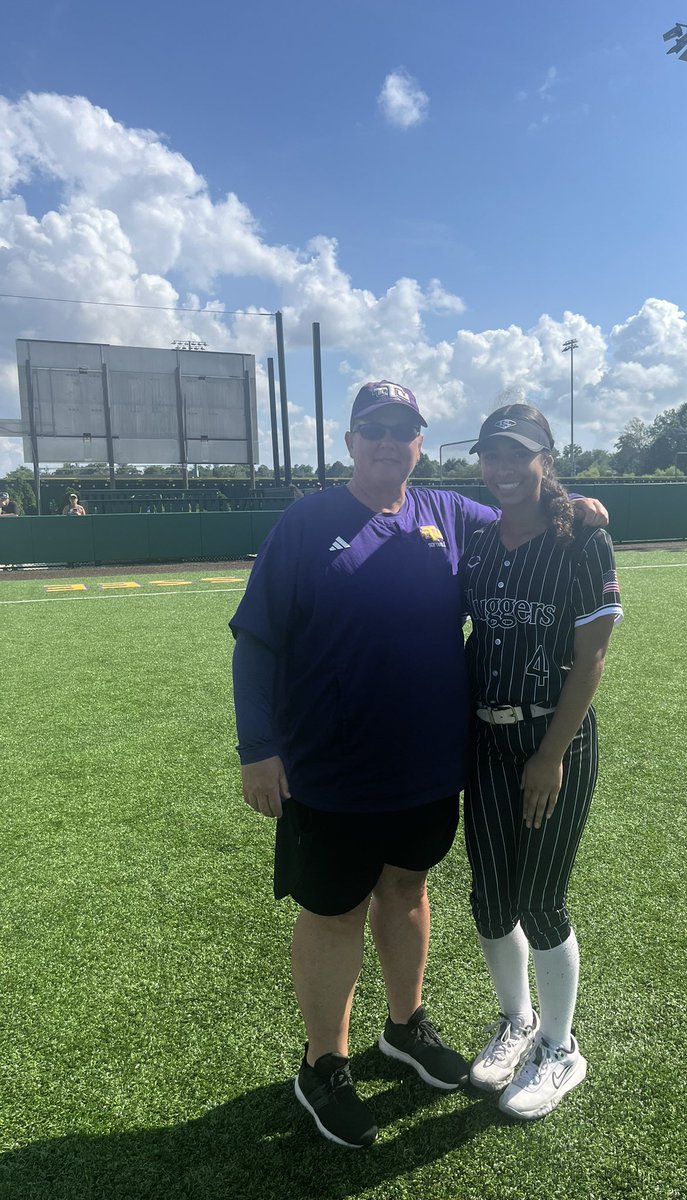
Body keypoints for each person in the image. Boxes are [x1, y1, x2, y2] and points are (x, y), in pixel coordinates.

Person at [229, 381, 609, 1150]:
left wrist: (584, 506)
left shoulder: (447, 513)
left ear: (419, 444)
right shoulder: (306, 523)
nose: (385, 442)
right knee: (333, 910)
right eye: (371, 428)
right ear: (348, 440)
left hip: (431, 764)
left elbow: (526, 513)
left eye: (401, 431)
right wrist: (257, 748)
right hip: (330, 767)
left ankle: (405, 1028)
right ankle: (325, 1065)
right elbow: (256, 640)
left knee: (407, 889)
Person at [463, 403, 623, 1121]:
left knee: (541, 902)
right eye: (490, 455)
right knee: (491, 900)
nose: (501, 468)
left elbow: (592, 661)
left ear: (545, 461)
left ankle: (560, 1048)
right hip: (485, 742)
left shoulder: (583, 539)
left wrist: (551, 755)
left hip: (552, 742)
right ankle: (518, 1022)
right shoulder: (476, 538)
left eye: (516, 455)